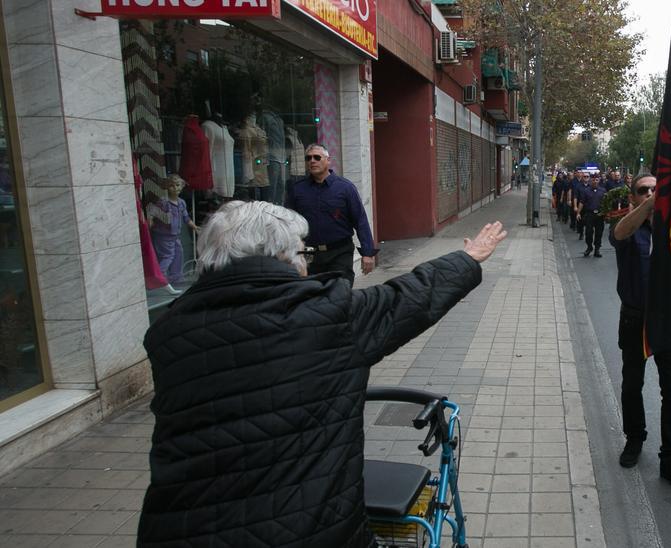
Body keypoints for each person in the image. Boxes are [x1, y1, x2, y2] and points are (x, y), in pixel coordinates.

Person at [138, 200, 506, 547]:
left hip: (177, 528)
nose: (305, 264)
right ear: (279, 255)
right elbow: (408, 297)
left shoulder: (169, 329)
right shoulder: (323, 313)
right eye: (301, 252)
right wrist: (469, 257)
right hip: (306, 530)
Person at [610, 173, 671, 490]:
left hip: (667, 320)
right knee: (632, 385)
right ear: (632, 196)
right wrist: (646, 208)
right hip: (634, 320)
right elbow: (619, 235)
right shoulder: (629, 227)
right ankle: (634, 439)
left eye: (655, 190)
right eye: (642, 190)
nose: (650, 193)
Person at [285, 144, 377, 284]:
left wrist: (367, 253)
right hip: (309, 255)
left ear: (328, 160)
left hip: (339, 253)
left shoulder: (345, 188)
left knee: (340, 293)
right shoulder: (297, 190)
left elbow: (360, 221)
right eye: (308, 158)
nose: (312, 161)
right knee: (312, 297)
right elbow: (287, 222)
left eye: (317, 157)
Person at [577, 174, 607, 257]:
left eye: (596, 180)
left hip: (600, 215)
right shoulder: (586, 191)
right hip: (589, 214)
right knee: (588, 232)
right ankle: (589, 247)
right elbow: (582, 202)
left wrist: (607, 213)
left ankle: (597, 249)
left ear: (599, 180)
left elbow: (606, 202)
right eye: (593, 180)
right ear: (591, 180)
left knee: (599, 233)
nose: (595, 181)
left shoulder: (603, 191)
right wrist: (578, 213)